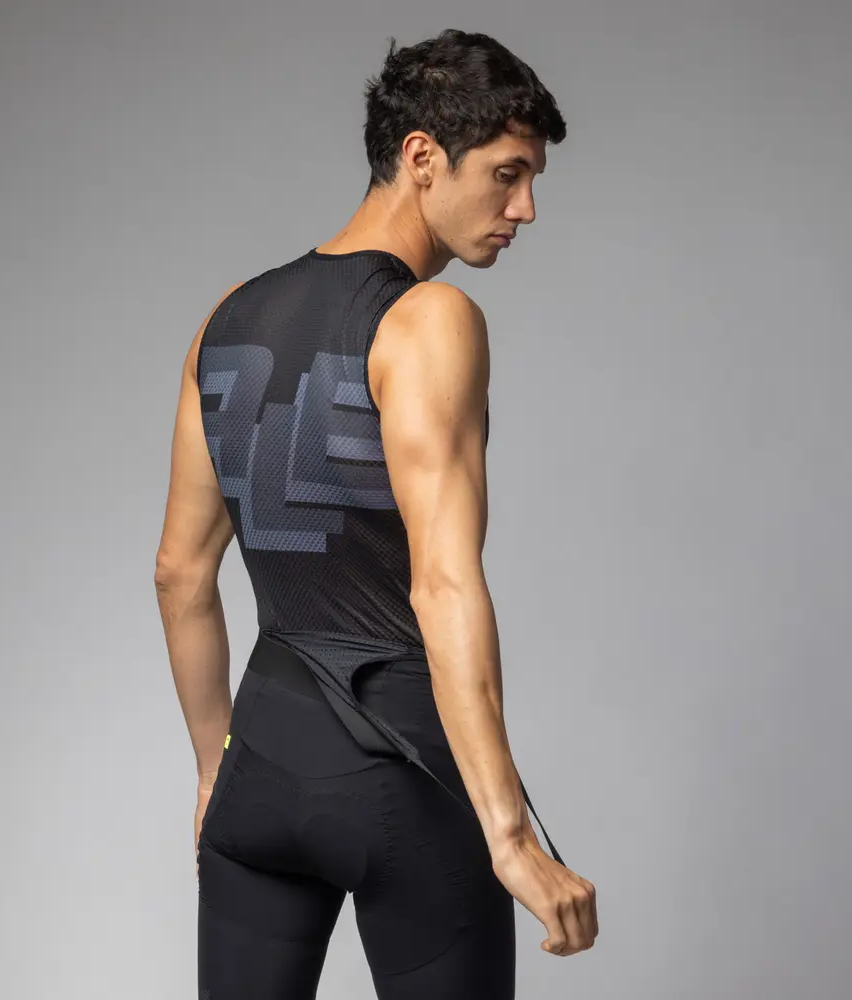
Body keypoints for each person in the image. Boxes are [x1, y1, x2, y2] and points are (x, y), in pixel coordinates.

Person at [154, 27, 598, 999]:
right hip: (402, 779)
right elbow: (441, 584)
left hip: (260, 762)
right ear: (422, 157)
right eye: (509, 173)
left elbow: (179, 575)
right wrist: (510, 835)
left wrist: (214, 772)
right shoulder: (430, 320)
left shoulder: (227, 316)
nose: (525, 208)